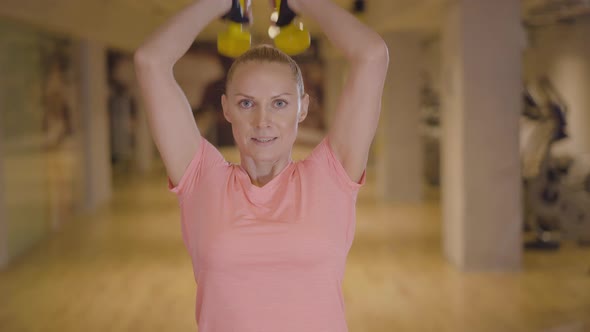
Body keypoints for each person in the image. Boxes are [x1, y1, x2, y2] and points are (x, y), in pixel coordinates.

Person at [133, 0, 388, 330]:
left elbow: (372, 55)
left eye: (279, 103)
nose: (262, 120)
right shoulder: (201, 178)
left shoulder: (332, 175)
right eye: (246, 103)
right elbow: (149, 61)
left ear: (302, 108)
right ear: (227, 108)